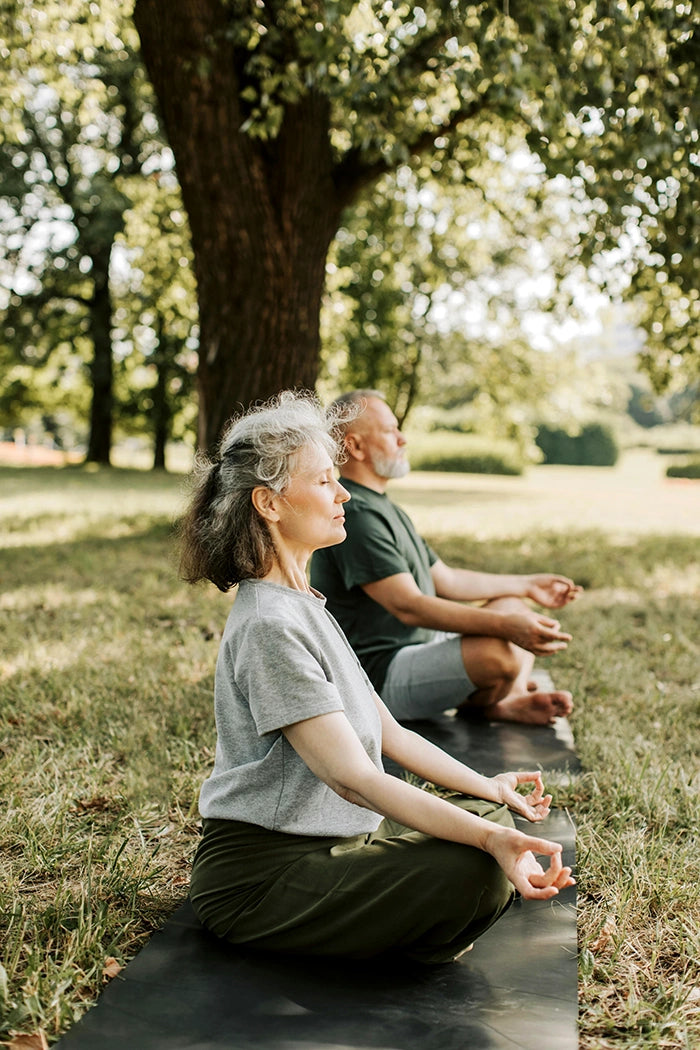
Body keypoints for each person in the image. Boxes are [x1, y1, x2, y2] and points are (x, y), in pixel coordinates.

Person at [178, 390, 574, 963]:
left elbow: (392, 733)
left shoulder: (304, 603)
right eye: (322, 482)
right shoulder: (269, 624)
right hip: (264, 877)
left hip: (341, 839)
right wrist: (489, 840)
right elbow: (354, 778)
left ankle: (408, 911)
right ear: (269, 504)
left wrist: (490, 789)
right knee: (478, 866)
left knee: (487, 817)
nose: (343, 495)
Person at [310, 390, 582, 726]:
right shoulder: (356, 514)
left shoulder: (384, 507)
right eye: (390, 431)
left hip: (419, 647)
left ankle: (504, 701)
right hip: (377, 676)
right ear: (356, 447)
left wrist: (527, 585)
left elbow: (447, 580)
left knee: (514, 606)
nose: (402, 438)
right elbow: (409, 606)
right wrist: (505, 627)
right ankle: (499, 698)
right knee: (500, 652)